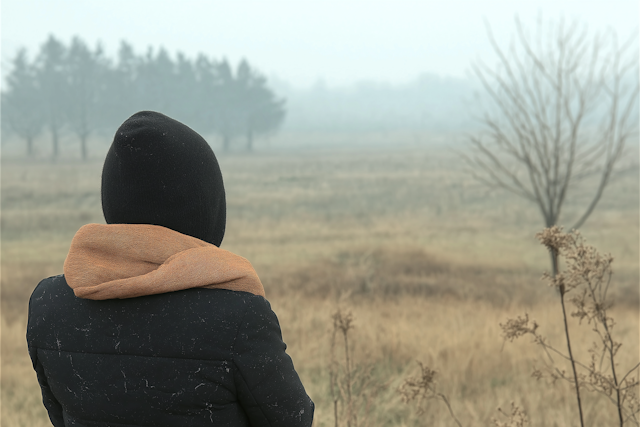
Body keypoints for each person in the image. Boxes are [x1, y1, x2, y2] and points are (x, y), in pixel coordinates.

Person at [26, 111, 314, 427]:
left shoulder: (48, 306)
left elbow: (59, 416)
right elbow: (292, 419)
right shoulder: (238, 317)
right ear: (206, 206)